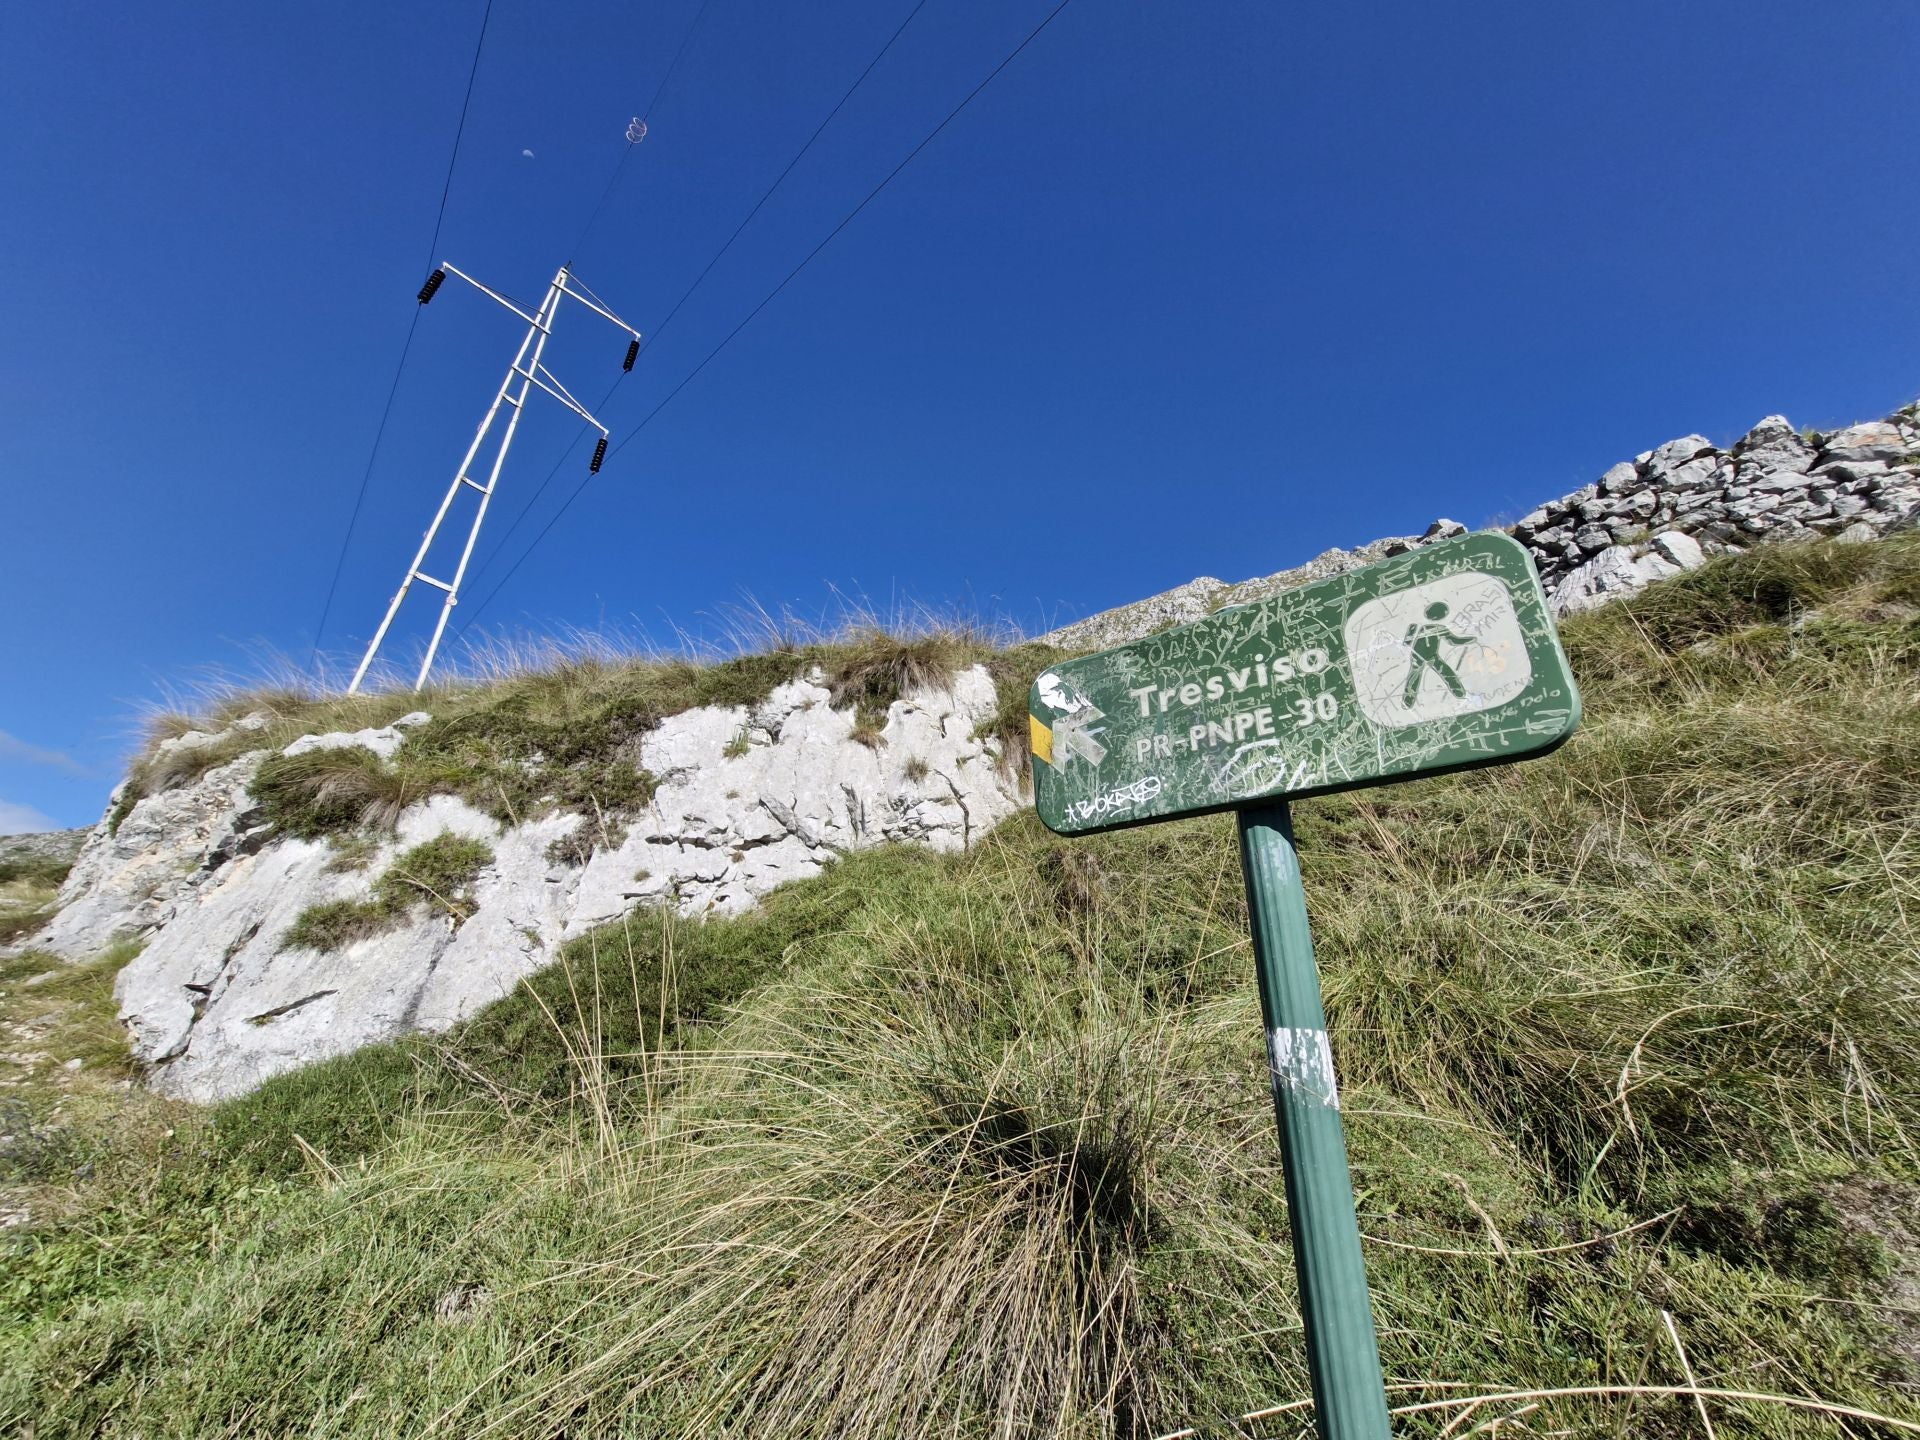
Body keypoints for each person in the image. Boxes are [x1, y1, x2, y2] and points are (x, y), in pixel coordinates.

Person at [1401, 601, 1477, 707]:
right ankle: (1458, 692)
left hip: (1422, 655)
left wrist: (1469, 640)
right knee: (1443, 672)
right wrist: (1469, 640)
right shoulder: (1439, 628)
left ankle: (1408, 701)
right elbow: (1453, 641)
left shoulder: (1416, 625)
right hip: (1427, 655)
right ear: (1441, 616)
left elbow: (1406, 642)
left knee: (1415, 676)